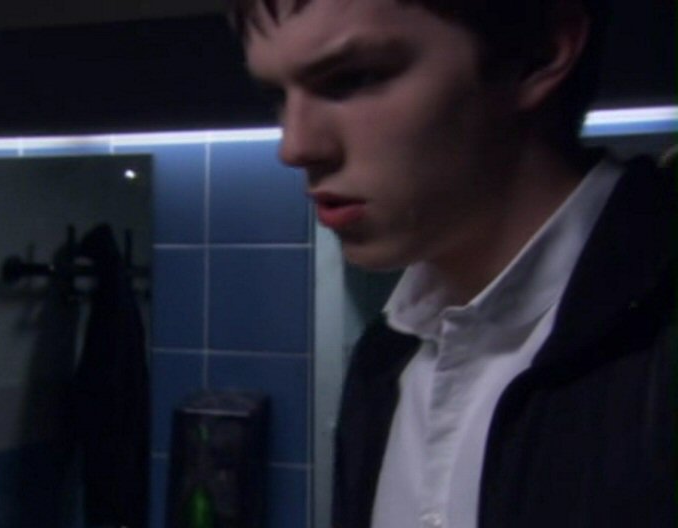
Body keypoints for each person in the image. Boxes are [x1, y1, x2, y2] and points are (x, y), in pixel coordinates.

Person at [224, 0, 675, 527]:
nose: (295, 146)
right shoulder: (385, 359)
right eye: (277, 96)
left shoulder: (656, 338)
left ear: (537, 55)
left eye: (354, 78)